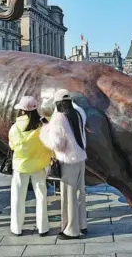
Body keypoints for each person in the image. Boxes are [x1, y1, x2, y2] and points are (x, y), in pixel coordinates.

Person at [40, 89, 87, 240]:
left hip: (68, 161)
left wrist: (45, 131)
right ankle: (82, 225)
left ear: (58, 103)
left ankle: (71, 230)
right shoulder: (78, 113)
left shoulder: (59, 117)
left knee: (68, 196)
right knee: (80, 193)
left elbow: (57, 144)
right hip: (80, 158)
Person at [8, 96, 51, 237]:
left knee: (18, 197)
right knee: (41, 197)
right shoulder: (43, 125)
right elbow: (51, 142)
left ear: (22, 110)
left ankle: (17, 228)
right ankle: (43, 228)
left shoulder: (15, 127)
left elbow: (13, 146)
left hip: (21, 165)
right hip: (39, 165)